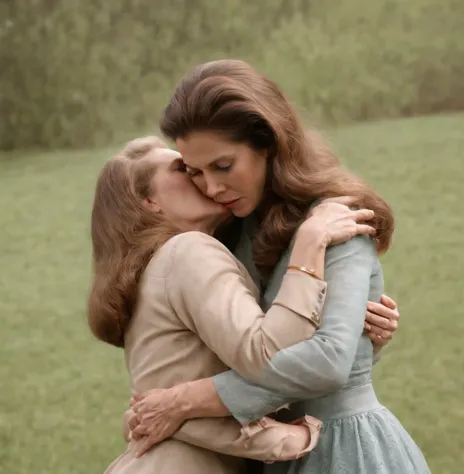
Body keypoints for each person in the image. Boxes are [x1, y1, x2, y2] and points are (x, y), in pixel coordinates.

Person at [126, 60, 430, 473]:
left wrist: (186, 400)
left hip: (345, 451)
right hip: (272, 452)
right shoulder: (230, 231)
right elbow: (246, 347)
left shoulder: (336, 220)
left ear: (267, 142)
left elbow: (326, 365)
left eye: (223, 166)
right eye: (195, 172)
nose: (212, 188)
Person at [88, 137, 379, 474]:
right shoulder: (187, 252)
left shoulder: (161, 265)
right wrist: (309, 242)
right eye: (185, 169)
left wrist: (353, 328)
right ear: (150, 201)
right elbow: (268, 354)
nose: (203, 180)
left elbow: (162, 406)